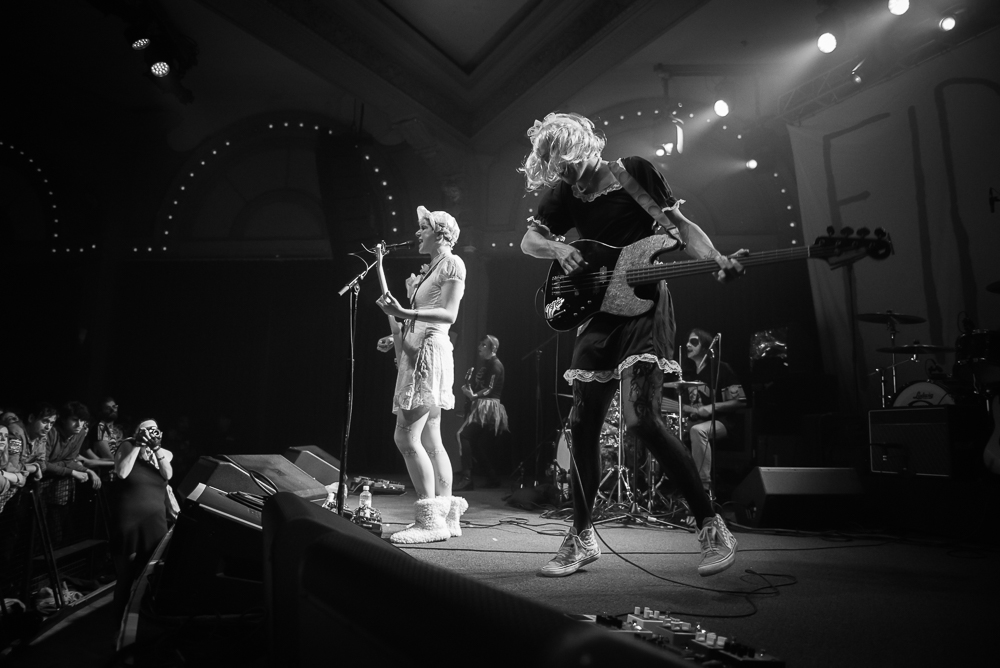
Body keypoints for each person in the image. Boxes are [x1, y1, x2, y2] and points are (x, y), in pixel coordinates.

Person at [518, 112, 742, 578]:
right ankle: (581, 538)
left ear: (581, 146)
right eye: (553, 167)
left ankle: (711, 525)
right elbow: (528, 240)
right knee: (582, 423)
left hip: (644, 305)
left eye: (564, 162)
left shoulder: (633, 171)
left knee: (642, 418)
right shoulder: (564, 192)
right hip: (598, 311)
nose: (562, 175)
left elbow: (680, 223)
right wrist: (559, 249)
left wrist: (715, 258)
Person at [376, 206, 468, 543]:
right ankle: (447, 514)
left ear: (441, 232)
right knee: (430, 437)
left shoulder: (453, 263)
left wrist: (403, 310)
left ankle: (430, 521)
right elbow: (421, 317)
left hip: (428, 353)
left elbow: (449, 314)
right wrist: (398, 330)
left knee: (406, 437)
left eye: (422, 227)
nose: (417, 233)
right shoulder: (432, 269)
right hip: (420, 349)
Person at [109, 420, 172, 617]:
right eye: (145, 430)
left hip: (154, 521)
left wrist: (156, 449)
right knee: (126, 576)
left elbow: (167, 474)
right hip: (129, 521)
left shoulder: (165, 453)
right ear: (137, 431)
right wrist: (137, 443)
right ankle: (118, 623)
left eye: (153, 430)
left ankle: (140, 621)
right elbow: (122, 472)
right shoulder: (127, 445)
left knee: (151, 575)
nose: (149, 434)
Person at [672, 328, 746, 498]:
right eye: (688, 342)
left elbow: (740, 401)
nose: (688, 345)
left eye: (694, 342)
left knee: (698, 431)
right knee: (667, 433)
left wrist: (711, 408)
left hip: (722, 422)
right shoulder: (687, 373)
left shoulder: (721, 368)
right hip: (695, 421)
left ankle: (703, 489)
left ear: (706, 346)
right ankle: (674, 485)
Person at [454, 335, 508, 490]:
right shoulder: (488, 364)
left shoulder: (495, 365)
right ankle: (492, 477)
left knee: (463, 435)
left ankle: (467, 478)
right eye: (480, 344)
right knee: (475, 443)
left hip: (488, 406)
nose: (480, 347)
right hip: (483, 404)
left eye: (484, 345)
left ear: (493, 348)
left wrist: (474, 396)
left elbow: (490, 388)